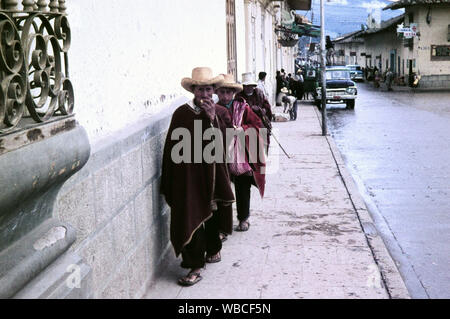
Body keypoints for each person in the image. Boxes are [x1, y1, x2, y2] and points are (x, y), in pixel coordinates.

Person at [160, 67, 235, 286]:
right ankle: (194, 265)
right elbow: (173, 149)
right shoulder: (181, 114)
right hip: (188, 177)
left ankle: (213, 249)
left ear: (214, 91)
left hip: (211, 173)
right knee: (190, 213)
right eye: (200, 89)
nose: (204, 94)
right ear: (194, 90)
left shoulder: (219, 112)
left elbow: (224, 144)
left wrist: (212, 120)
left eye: (208, 89)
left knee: (211, 212)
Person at [215, 74, 266, 233]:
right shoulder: (214, 109)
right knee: (222, 189)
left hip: (240, 154)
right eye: (221, 92)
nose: (225, 96)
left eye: (228, 92)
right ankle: (223, 224)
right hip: (219, 153)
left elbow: (257, 125)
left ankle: (243, 218)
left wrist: (242, 129)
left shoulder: (243, 108)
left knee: (242, 187)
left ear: (233, 93)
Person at [236, 72, 273, 153]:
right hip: (245, 123)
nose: (248, 88)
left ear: (253, 86)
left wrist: (261, 110)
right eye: (246, 86)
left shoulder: (259, 93)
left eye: (250, 86)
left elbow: (267, 108)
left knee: (262, 143)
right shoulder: (239, 96)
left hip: (259, 122)